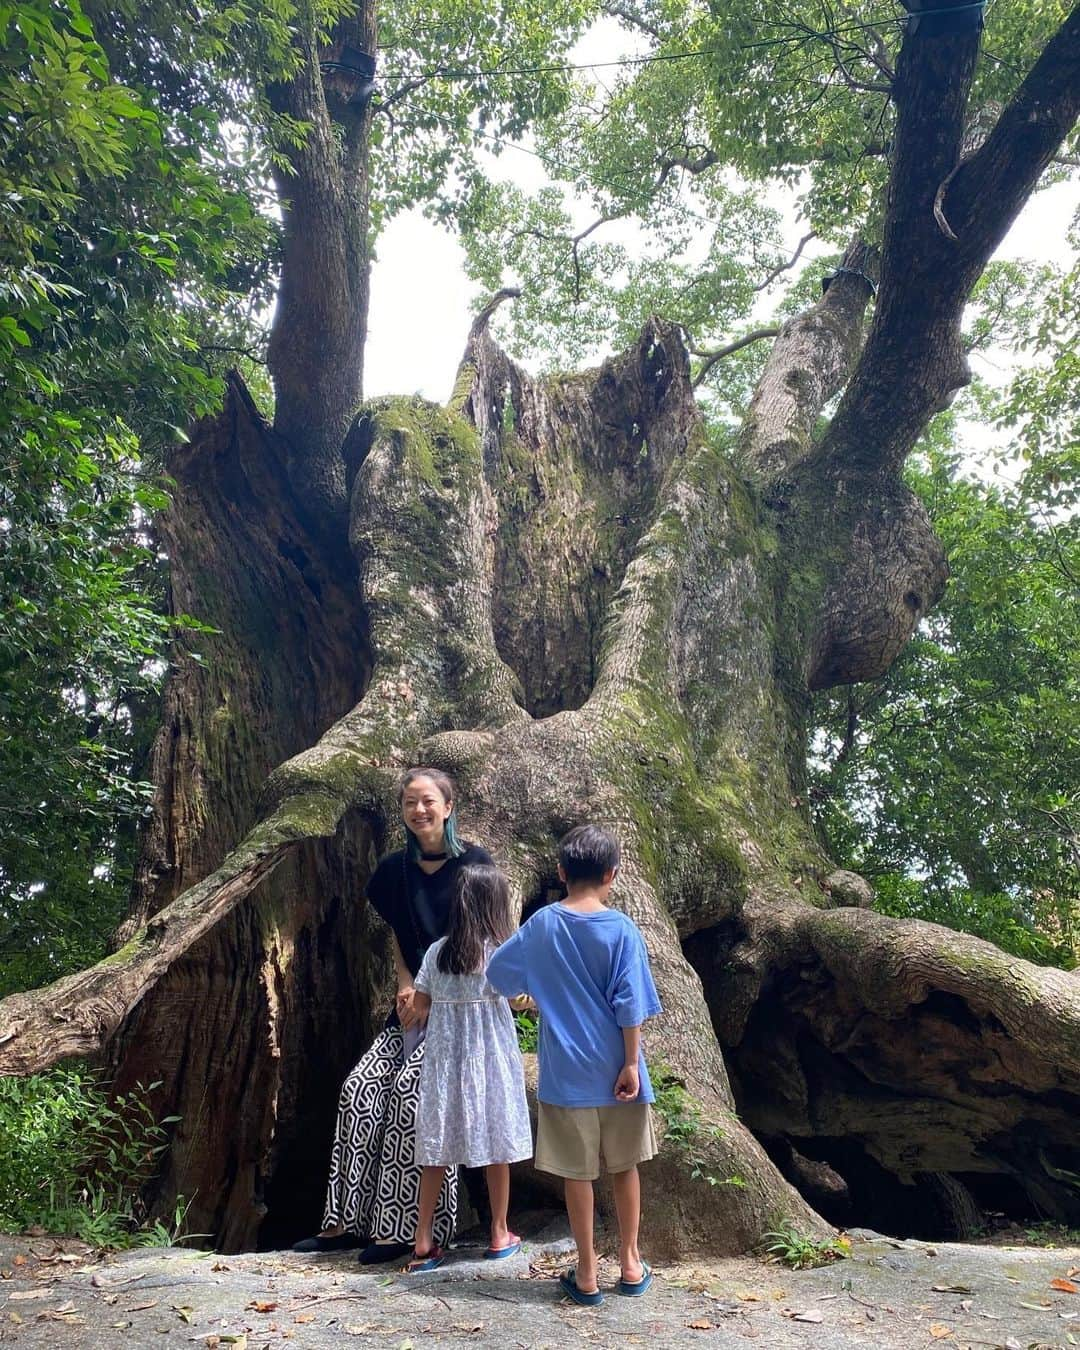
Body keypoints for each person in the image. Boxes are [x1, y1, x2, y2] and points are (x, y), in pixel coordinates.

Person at [293, 767, 493, 1263]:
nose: (419, 811)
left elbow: (484, 949)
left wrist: (430, 993)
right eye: (410, 803)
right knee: (358, 1089)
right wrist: (407, 984)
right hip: (411, 1007)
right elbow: (399, 939)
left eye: (428, 801)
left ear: (448, 807)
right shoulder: (392, 871)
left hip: (458, 1014)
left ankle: (405, 1228)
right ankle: (343, 1222)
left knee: (411, 1098)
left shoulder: (476, 866)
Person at [487, 824, 662, 1305]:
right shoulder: (623, 929)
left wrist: (534, 994)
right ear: (612, 873)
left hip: (565, 1073)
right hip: (619, 1071)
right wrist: (631, 1062)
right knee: (625, 1169)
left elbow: (499, 973)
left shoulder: (542, 924)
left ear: (561, 872)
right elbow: (630, 1004)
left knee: (577, 1175)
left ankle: (586, 1272)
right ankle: (629, 1262)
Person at [404, 863, 533, 1272]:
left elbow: (420, 1007)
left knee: (438, 1149)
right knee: (497, 1143)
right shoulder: (500, 954)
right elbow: (517, 1000)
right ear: (495, 906)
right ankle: (499, 1232)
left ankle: (422, 1239)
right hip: (490, 1060)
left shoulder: (436, 952)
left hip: (445, 1064)